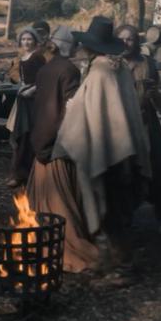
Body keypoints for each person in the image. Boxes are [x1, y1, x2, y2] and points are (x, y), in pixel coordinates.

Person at [51, 16, 151, 275]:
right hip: (122, 148)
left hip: (109, 150)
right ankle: (109, 261)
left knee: (111, 211)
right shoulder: (118, 70)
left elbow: (87, 112)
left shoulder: (100, 71)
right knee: (115, 209)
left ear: (90, 46)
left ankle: (122, 267)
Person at [25, 26, 102, 272]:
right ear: (61, 46)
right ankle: (68, 244)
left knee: (46, 198)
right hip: (59, 141)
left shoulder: (46, 68)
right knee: (63, 199)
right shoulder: (68, 69)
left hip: (42, 137)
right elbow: (70, 108)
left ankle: (43, 240)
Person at [116, 24, 161, 235]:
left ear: (136, 42)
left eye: (130, 39)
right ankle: (125, 218)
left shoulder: (147, 64)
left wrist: (153, 91)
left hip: (146, 123)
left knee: (157, 169)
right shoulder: (111, 65)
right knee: (124, 171)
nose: (126, 43)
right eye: (122, 39)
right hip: (120, 126)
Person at [5, 25, 48, 189]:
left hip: (33, 99)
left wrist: (31, 90)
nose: (26, 42)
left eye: (29, 39)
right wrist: (22, 88)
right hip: (23, 98)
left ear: (35, 41)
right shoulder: (22, 57)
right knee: (19, 135)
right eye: (23, 39)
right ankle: (18, 172)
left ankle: (27, 171)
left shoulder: (38, 57)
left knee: (28, 133)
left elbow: (42, 79)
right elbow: (22, 79)